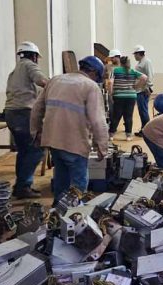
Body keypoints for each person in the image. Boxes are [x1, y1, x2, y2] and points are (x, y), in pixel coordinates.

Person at [30, 56, 108, 204]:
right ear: (93, 72)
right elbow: (98, 120)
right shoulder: (90, 86)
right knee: (78, 184)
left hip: (53, 141)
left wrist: (36, 133)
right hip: (75, 143)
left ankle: (57, 211)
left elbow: (36, 109)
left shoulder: (55, 80)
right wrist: (102, 146)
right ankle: (74, 215)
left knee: (61, 177)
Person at [4, 41, 48, 199]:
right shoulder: (29, 65)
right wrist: (58, 87)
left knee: (24, 151)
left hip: (11, 113)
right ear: (34, 56)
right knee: (37, 149)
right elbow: (42, 81)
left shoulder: (15, 70)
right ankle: (23, 185)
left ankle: (22, 186)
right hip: (23, 113)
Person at [108, 56, 147, 142]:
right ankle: (128, 136)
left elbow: (110, 82)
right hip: (131, 96)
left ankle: (111, 135)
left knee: (116, 116)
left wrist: (111, 94)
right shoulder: (132, 71)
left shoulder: (115, 70)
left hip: (118, 96)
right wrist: (136, 87)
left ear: (120, 63)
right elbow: (144, 77)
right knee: (128, 116)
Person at [133, 45, 154, 136]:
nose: (134, 56)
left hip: (144, 90)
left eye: (135, 54)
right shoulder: (140, 62)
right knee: (142, 111)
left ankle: (147, 131)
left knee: (143, 110)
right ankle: (144, 129)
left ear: (139, 54)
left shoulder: (147, 62)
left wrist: (148, 87)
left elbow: (150, 75)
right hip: (139, 90)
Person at [105, 49, 121, 136]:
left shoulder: (124, 67)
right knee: (111, 110)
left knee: (119, 111)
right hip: (111, 91)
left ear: (117, 57)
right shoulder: (108, 67)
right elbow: (104, 77)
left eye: (112, 58)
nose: (111, 59)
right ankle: (112, 127)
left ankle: (114, 126)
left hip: (120, 92)